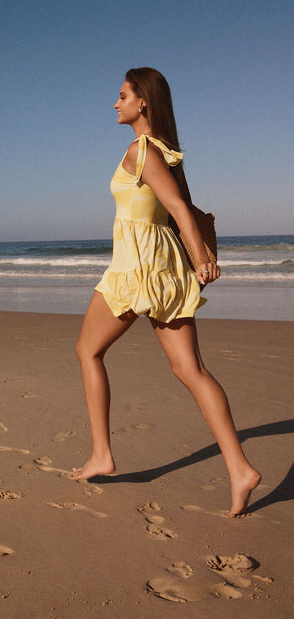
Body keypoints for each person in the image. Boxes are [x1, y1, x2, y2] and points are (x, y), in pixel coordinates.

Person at [73, 67, 261, 517]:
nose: (115, 103)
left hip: (138, 270)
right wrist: (194, 260)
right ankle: (239, 469)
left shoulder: (141, 151)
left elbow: (178, 208)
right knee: (190, 369)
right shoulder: (163, 152)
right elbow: (176, 207)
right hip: (156, 268)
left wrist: (202, 260)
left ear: (143, 102)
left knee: (87, 350)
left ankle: (102, 453)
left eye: (122, 96)